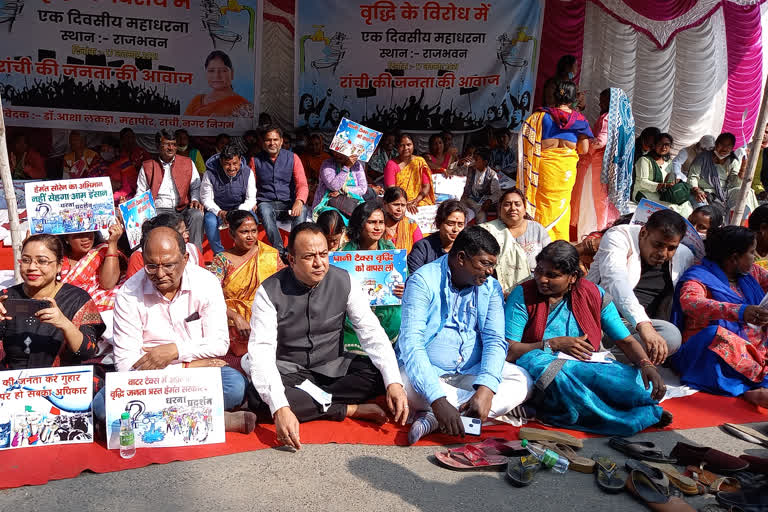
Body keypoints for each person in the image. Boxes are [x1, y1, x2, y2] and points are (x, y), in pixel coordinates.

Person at [243, 223, 408, 450]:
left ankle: (310, 403)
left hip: (332, 368)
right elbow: (262, 351)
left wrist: (393, 383)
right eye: (309, 256)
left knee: (382, 376)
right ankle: (348, 409)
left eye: (323, 254)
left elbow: (371, 332)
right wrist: (280, 407)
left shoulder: (344, 280)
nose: (319, 263)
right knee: (258, 398)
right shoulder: (269, 291)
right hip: (289, 371)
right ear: (291, 260)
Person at [96, 226, 254, 432]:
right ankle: (213, 419)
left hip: (181, 375)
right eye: (151, 266)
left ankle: (149, 419)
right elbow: (127, 366)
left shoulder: (206, 283)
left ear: (185, 258)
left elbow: (219, 344)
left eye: (169, 265)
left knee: (235, 387)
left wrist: (174, 351)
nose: (160, 274)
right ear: (143, 259)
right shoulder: (128, 293)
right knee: (102, 406)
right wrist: (187, 367)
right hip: (153, 378)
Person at [505, 241, 669, 435]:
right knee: (550, 371)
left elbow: (625, 340)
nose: (542, 279)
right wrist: (553, 344)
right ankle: (621, 419)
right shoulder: (523, 295)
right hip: (538, 360)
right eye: (538, 271)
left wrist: (646, 365)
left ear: (573, 277)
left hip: (588, 362)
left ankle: (628, 408)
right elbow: (509, 350)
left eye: (552, 275)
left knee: (634, 383)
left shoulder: (593, 294)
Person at [398, 226, 533, 444]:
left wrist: (487, 388)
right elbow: (412, 345)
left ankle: (436, 419)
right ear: (461, 258)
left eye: (492, 265)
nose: (490, 272)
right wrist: (438, 399)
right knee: (404, 382)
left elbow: (495, 340)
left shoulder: (490, 287)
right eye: (485, 264)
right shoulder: (422, 281)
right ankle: (459, 412)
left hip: (472, 372)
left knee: (522, 379)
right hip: (431, 373)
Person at [671, 226, 768, 408]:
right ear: (734, 258)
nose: (755, 258)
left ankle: (759, 385)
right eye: (751, 253)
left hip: (755, 345)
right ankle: (755, 387)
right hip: (707, 352)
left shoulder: (751, 273)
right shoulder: (698, 277)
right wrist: (739, 311)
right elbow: (691, 302)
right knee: (716, 334)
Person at [587, 209, 693, 365]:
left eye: (671, 248)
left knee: (671, 336)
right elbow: (616, 282)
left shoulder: (684, 255)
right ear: (643, 233)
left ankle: (606, 359)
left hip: (640, 331)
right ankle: (600, 358)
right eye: (658, 245)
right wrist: (643, 325)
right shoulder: (619, 236)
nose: (663, 253)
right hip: (603, 320)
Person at [0, 235, 105, 369]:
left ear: (59, 266)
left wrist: (64, 324)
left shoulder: (77, 299)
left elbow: (87, 352)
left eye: (42, 261)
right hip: (12, 384)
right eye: (26, 260)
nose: (32, 267)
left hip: (63, 384)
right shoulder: (5, 298)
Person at [521, 80, 592, 240]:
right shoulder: (579, 121)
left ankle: (537, 239)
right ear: (574, 98)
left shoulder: (539, 117)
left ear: (554, 96)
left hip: (543, 171)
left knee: (540, 205)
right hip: (564, 173)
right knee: (562, 206)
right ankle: (558, 240)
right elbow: (584, 150)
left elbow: (527, 144)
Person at [210, 211, 282, 357]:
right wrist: (236, 317)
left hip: (266, 320)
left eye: (254, 231)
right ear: (231, 234)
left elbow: (284, 287)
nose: (250, 236)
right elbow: (210, 299)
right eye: (244, 232)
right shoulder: (222, 261)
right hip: (233, 325)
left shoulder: (269, 255)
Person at [341, 201, 405, 351]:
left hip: (386, 310)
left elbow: (402, 281)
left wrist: (403, 289)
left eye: (381, 222)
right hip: (353, 313)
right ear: (360, 223)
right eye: (371, 222)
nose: (378, 227)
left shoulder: (391, 251)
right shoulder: (344, 255)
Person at [571, 88, 635, 240]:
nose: (600, 103)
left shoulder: (607, 118)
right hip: (610, 170)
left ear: (612, 101)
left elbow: (600, 142)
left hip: (595, 168)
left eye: (604, 100)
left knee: (590, 203)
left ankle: (586, 237)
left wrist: (582, 142)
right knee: (602, 205)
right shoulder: (625, 122)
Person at [136, 129, 204, 249]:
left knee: (197, 214)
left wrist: (195, 199)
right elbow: (140, 193)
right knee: (137, 217)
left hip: (181, 209)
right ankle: (143, 253)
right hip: (156, 210)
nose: (170, 148)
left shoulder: (188, 163)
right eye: (166, 144)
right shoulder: (148, 166)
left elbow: (196, 185)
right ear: (158, 146)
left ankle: (196, 253)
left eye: (173, 144)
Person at [253, 125, 309, 256]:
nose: (272, 143)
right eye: (268, 140)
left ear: (281, 141)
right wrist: (253, 203)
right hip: (266, 203)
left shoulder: (293, 158)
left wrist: (299, 201)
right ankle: (279, 251)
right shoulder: (255, 160)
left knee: (304, 210)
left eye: (275, 139)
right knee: (265, 210)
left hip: (288, 203)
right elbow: (251, 186)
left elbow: (302, 183)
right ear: (263, 142)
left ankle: (292, 249)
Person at [200, 144, 257, 255]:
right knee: (209, 221)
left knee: (252, 219)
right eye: (227, 164)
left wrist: (237, 212)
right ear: (221, 162)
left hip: (240, 209)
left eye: (235, 164)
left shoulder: (247, 172)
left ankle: (248, 252)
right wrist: (219, 212)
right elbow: (206, 199)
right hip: (217, 210)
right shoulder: (210, 173)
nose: (231, 168)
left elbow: (251, 199)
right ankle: (220, 254)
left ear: (240, 160)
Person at [689, 132, 759, 221]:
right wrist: (696, 189)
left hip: (723, 193)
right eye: (721, 144)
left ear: (732, 147)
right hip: (703, 191)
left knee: (746, 192)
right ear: (716, 144)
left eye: (728, 146)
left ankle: (739, 224)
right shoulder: (703, 157)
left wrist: (742, 170)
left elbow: (735, 184)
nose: (724, 148)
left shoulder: (732, 161)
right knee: (702, 210)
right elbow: (693, 176)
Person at [481, 187, 550, 273]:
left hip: (533, 280)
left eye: (517, 204)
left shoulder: (537, 229)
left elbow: (549, 258)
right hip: (499, 281)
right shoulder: (488, 230)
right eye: (507, 204)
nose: (513, 208)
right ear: (499, 209)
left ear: (524, 209)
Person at [60, 224, 126, 313]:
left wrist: (113, 243)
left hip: (105, 313)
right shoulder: (57, 261)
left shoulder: (102, 252)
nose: (85, 238)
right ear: (66, 238)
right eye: (78, 235)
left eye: (88, 232)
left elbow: (108, 284)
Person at [126, 212, 203, 278]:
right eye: (153, 266)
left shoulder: (192, 250)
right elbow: (134, 288)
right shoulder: (138, 257)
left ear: (185, 258)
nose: (160, 274)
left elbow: (203, 278)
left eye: (186, 231)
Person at [633, 133, 692, 217]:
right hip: (644, 192)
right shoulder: (644, 160)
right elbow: (643, 182)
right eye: (661, 144)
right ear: (654, 145)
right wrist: (662, 185)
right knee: (671, 208)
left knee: (686, 206)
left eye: (667, 145)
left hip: (662, 193)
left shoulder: (669, 162)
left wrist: (674, 182)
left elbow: (671, 178)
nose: (664, 147)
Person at [184, 50, 253, 117]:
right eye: (211, 71)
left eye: (223, 70)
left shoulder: (243, 106)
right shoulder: (196, 100)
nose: (217, 76)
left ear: (232, 73)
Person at [408, 200, 466, 274]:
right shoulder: (423, 247)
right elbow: (415, 278)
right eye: (450, 223)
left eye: (460, 224)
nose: (455, 229)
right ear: (439, 223)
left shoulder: (466, 248)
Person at [384, 133, 435, 213]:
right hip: (398, 202)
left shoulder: (420, 161)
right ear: (397, 147)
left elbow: (426, 186)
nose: (406, 148)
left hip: (419, 200)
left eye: (408, 144)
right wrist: (404, 203)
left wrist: (415, 201)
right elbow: (391, 189)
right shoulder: (391, 164)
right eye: (402, 145)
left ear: (413, 145)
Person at [311, 152, 367, 220]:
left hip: (353, 202)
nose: (337, 154)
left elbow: (363, 188)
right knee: (333, 218)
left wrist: (342, 191)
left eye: (341, 152)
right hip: (328, 203)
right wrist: (346, 167)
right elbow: (334, 186)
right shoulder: (327, 164)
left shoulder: (357, 165)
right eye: (335, 151)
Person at [460, 146, 501, 224]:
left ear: (485, 162)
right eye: (473, 159)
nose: (473, 161)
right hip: (466, 199)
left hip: (479, 203)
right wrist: (459, 163)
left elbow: (497, 192)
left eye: (476, 159)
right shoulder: (470, 169)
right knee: (459, 214)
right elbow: (452, 171)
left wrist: (489, 200)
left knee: (481, 218)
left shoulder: (491, 174)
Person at [90, 138, 137, 204]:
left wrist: (110, 197)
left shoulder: (124, 162)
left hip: (125, 201)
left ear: (116, 149)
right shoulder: (98, 163)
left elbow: (128, 188)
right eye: (102, 150)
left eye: (107, 149)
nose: (104, 153)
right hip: (106, 200)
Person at [381, 187, 423, 252]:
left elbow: (420, 251)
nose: (399, 209)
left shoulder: (411, 225)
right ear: (384, 204)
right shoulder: (377, 226)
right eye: (396, 204)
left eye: (403, 205)